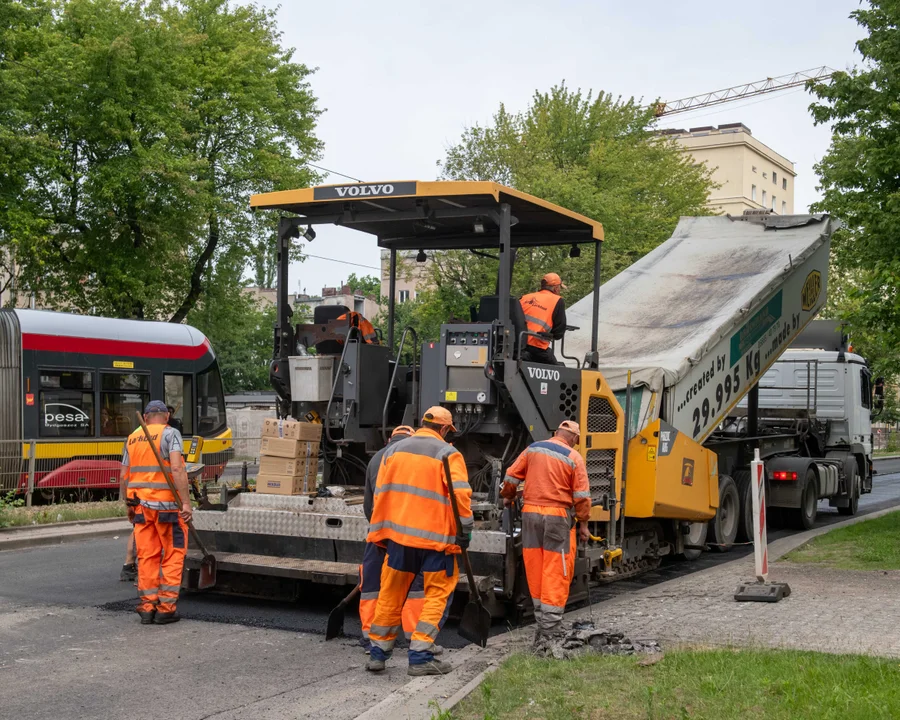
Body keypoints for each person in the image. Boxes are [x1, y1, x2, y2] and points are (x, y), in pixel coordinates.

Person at [366, 407, 472, 676]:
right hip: (436, 541)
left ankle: (377, 653)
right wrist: (466, 531)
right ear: (446, 429)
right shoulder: (448, 453)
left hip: (400, 539)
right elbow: (460, 497)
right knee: (436, 595)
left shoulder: (393, 452)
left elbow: (380, 493)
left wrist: (383, 532)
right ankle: (421, 657)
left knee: (391, 593)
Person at [500, 420, 591, 644]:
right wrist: (584, 524)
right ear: (573, 439)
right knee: (555, 568)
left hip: (530, 514)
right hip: (557, 517)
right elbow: (581, 497)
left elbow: (511, 476)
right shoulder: (574, 457)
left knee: (535, 564)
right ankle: (550, 630)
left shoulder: (534, 449)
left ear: (556, 433)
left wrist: (508, 496)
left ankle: (542, 624)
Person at [359, 425, 442, 655]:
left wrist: (378, 528)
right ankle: (416, 640)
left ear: (389, 438)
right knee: (412, 586)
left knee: (374, 586)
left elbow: (368, 504)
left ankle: (372, 640)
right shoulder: (414, 457)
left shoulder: (376, 458)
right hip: (406, 535)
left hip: (378, 534)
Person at [120, 400, 192, 625]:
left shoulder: (132, 437)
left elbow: (124, 474)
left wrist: (128, 505)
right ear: (167, 416)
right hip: (167, 508)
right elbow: (178, 468)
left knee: (148, 556)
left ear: (146, 416)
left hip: (141, 507)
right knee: (172, 554)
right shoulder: (171, 434)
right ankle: (165, 609)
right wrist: (186, 503)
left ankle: (147, 606)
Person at [519, 273, 568, 365]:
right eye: (559, 288)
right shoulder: (557, 301)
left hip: (517, 346)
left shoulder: (525, 297)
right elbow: (559, 332)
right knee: (559, 372)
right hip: (537, 348)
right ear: (556, 288)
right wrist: (551, 335)